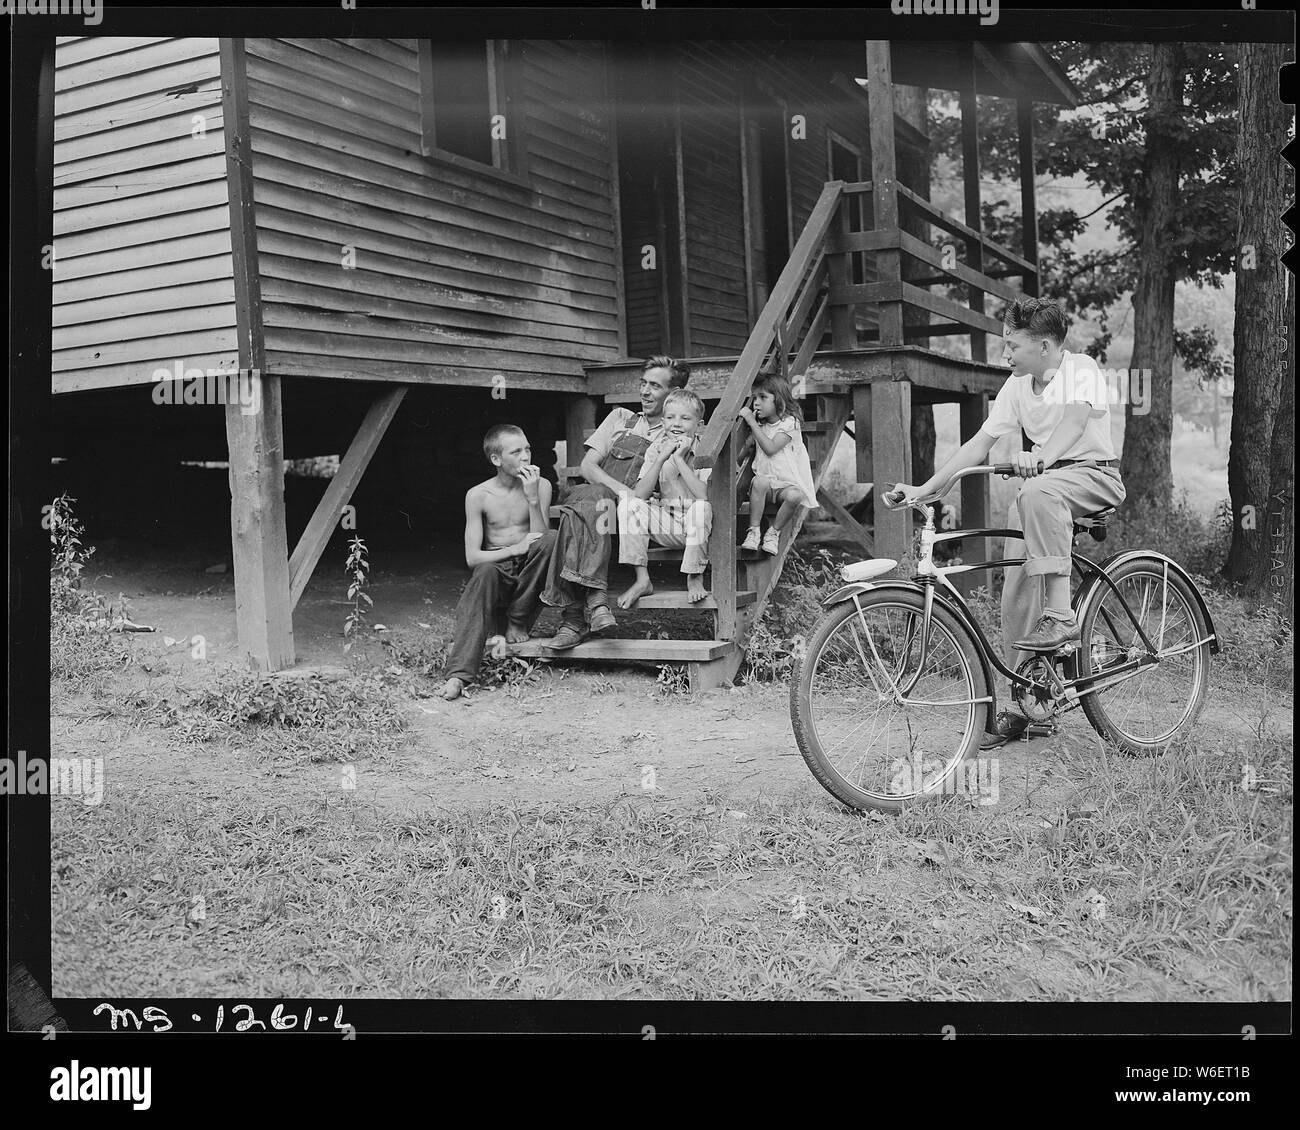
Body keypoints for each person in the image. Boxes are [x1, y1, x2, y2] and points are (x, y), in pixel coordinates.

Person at [883, 296, 1126, 748]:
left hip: (1093, 476)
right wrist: (926, 489)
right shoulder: (1016, 388)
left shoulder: (1081, 369)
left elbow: (1075, 422)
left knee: (1033, 490)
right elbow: (978, 444)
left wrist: (1042, 458)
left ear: (1047, 345)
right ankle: (1030, 705)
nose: (1006, 354)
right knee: (1016, 584)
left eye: (1013, 345)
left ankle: (1062, 615)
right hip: (1045, 491)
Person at [541, 355, 692, 649]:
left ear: (671, 394)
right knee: (591, 498)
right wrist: (623, 492)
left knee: (580, 509)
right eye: (643, 383)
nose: (645, 392)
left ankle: (573, 620)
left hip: (630, 511)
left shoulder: (675, 430)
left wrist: (628, 499)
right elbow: (588, 466)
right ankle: (596, 603)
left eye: (655, 387)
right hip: (606, 499)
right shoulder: (621, 417)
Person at [437, 424, 554, 701]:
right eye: (516, 452)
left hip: (530, 570)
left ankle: (517, 621)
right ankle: (458, 675)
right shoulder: (478, 495)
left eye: (528, 449)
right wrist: (515, 548)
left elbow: (540, 541)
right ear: (496, 460)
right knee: (485, 570)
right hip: (497, 571)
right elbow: (472, 557)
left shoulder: (543, 485)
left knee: (551, 539)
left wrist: (533, 498)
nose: (526, 457)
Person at [615, 388, 714, 607]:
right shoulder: (656, 449)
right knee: (629, 503)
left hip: (701, 526)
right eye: (670, 417)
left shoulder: (707, 449)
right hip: (669, 525)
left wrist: (679, 460)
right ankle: (642, 580)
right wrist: (661, 459)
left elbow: (704, 494)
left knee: (701, 507)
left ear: (699, 425)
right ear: (663, 421)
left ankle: (694, 576)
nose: (676, 423)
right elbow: (640, 494)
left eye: (685, 418)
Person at [736, 372, 817, 555]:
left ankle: (773, 532)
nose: (756, 403)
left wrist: (750, 420)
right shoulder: (761, 426)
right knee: (760, 481)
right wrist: (747, 445)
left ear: (779, 399)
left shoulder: (790, 423)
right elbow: (742, 456)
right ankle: (754, 532)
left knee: (796, 496)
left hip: (784, 486)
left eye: (763, 397)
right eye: (754, 397)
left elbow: (771, 448)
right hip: (764, 488)